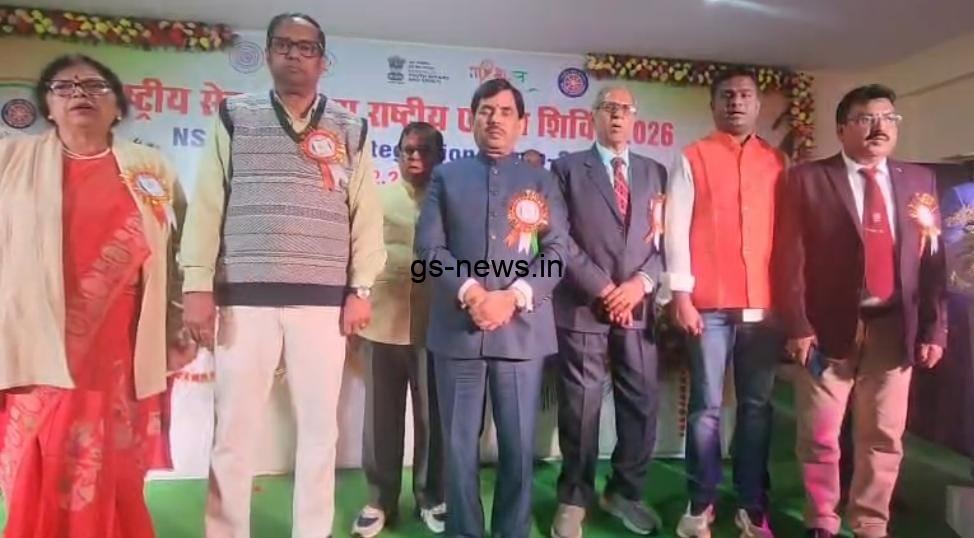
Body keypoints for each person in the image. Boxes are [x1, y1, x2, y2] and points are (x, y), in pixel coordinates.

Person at [179, 13, 385, 538]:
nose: (294, 54)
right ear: (269, 53)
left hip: (323, 304)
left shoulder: (351, 127)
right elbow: (207, 204)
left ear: (323, 59)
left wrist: (361, 288)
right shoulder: (235, 115)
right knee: (233, 433)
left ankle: (311, 531)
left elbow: (366, 216)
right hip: (243, 299)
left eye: (306, 47)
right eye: (284, 45)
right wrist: (198, 284)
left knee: (319, 433)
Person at [0, 54, 193, 537]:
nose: (79, 94)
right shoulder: (10, 160)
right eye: (64, 87)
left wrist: (178, 321)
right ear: (48, 106)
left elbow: (179, 251)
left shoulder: (151, 168)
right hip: (35, 337)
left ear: (118, 107)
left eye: (94, 86)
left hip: (119, 342)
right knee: (44, 452)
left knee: (110, 455)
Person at [774, 84, 948, 538]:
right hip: (825, 329)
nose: (879, 127)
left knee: (884, 435)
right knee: (819, 435)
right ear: (841, 129)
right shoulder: (808, 178)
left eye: (888, 118)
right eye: (866, 119)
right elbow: (789, 259)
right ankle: (822, 519)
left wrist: (934, 329)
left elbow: (932, 264)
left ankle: (871, 522)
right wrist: (797, 323)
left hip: (894, 328)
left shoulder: (919, 181)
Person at [415, 77, 569, 537]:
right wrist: (472, 293)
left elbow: (557, 251)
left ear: (522, 123)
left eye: (505, 112)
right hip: (458, 331)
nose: (495, 119)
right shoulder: (446, 177)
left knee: (519, 449)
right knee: (459, 447)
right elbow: (429, 248)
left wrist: (512, 296)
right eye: (486, 111)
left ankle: (511, 530)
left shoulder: (542, 181)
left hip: (521, 334)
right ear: (472, 120)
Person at [665, 67, 787, 538]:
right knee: (707, 407)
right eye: (727, 95)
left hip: (765, 306)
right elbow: (675, 228)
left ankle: (752, 504)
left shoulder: (776, 161)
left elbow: (787, 233)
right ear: (713, 104)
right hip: (708, 307)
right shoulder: (692, 157)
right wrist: (681, 295)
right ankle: (701, 503)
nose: (736, 102)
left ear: (757, 105)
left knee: (757, 407)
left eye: (745, 95)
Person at [549, 85, 666, 538]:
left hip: (638, 308)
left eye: (625, 109)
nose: (617, 116)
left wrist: (639, 285)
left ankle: (625, 492)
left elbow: (666, 242)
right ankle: (573, 497)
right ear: (592, 116)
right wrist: (603, 287)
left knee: (641, 404)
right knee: (581, 409)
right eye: (608, 108)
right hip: (584, 307)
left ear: (635, 117)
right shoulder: (565, 170)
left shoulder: (655, 172)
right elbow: (558, 239)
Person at [352, 122, 446, 537]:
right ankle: (380, 500)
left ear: (440, 156)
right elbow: (356, 254)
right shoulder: (376, 197)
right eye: (408, 150)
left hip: (435, 328)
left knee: (433, 420)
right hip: (381, 324)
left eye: (424, 150)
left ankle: (431, 496)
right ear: (397, 154)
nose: (415, 157)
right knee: (380, 421)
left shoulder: (450, 201)